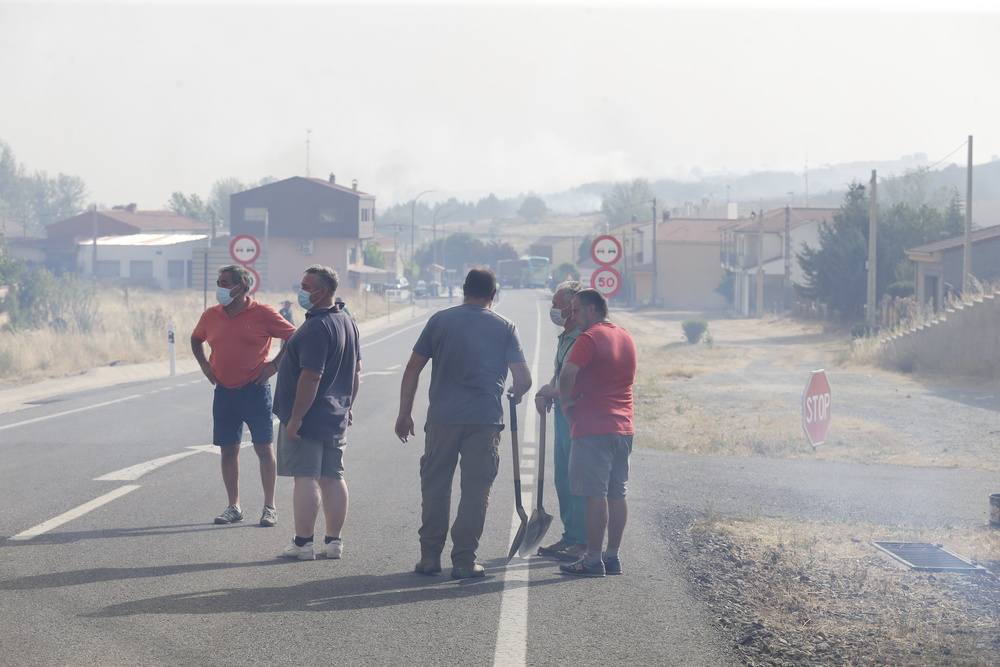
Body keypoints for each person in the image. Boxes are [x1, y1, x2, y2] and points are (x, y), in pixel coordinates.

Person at [395, 268, 532, 579]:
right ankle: (464, 560)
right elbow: (523, 378)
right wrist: (516, 391)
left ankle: (430, 556)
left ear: (463, 290)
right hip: (484, 420)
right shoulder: (505, 327)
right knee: (475, 490)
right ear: (493, 295)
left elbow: (413, 369)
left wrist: (405, 412)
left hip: (442, 418)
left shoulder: (440, 320)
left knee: (435, 486)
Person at [192, 264, 297, 527]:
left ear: (241, 287)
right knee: (228, 450)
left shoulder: (263, 313)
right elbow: (196, 339)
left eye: (224, 283)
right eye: (218, 282)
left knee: (263, 448)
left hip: (255, 391)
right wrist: (205, 365)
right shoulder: (211, 314)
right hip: (224, 392)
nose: (220, 287)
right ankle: (234, 506)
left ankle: (270, 507)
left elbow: (294, 337)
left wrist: (274, 366)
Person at [273, 265, 361, 561]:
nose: (301, 292)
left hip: (309, 417)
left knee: (306, 477)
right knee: (332, 477)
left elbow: (311, 377)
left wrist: (296, 418)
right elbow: (356, 372)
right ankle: (334, 542)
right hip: (335, 415)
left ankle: (303, 544)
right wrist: (348, 405)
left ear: (323, 292)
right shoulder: (346, 321)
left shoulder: (315, 328)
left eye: (306, 287)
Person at [558, 288, 636, 577]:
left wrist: (565, 403)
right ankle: (611, 556)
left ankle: (592, 559)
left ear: (591, 310)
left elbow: (568, 373)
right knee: (617, 492)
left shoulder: (589, 338)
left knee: (595, 494)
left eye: (576, 310)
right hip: (624, 427)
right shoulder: (625, 335)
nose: (572, 316)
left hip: (594, 427)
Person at [533, 280, 588, 562]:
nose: (553, 309)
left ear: (572, 307)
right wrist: (548, 390)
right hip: (562, 420)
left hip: (579, 420)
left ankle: (583, 540)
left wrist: (552, 392)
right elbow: (560, 374)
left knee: (578, 480)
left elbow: (578, 383)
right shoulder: (564, 337)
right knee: (563, 480)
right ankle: (570, 535)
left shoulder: (584, 338)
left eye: (557, 304)